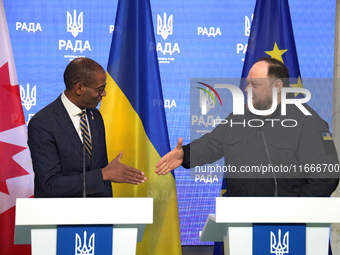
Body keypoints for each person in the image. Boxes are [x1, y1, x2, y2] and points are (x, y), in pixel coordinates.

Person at [155, 57, 339, 197]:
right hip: (239, 226)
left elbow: (327, 175)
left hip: (286, 230)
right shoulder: (239, 117)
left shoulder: (307, 121)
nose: (246, 89)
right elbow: (211, 144)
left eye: (255, 85)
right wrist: (185, 154)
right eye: (247, 83)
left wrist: (294, 211)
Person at [28, 57, 147, 198]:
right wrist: (104, 173)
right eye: (100, 89)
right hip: (61, 216)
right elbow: (51, 185)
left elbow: (102, 177)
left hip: (97, 216)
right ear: (79, 88)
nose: (104, 94)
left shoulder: (94, 116)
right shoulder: (43, 123)